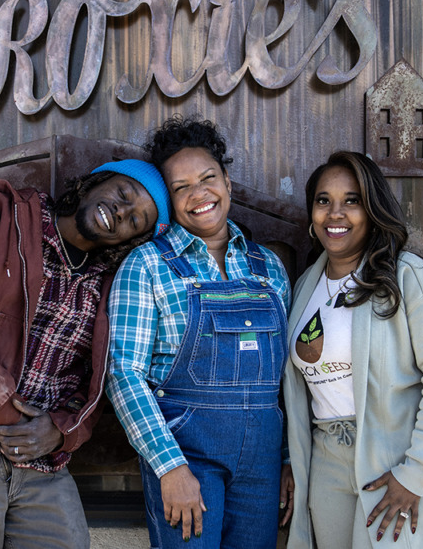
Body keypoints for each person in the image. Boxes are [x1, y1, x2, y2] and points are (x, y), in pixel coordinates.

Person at [0, 158, 172, 549]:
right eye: (123, 194)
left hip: (41, 464)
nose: (123, 212)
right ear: (95, 181)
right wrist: (6, 410)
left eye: (137, 221)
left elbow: (95, 381)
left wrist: (60, 432)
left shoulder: (109, 284)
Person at [106, 117, 291, 548]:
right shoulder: (148, 265)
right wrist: (169, 468)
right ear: (169, 201)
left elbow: (286, 380)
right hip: (186, 460)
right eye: (182, 187)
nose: (199, 194)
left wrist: (287, 459)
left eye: (208, 178)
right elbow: (123, 373)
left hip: (262, 466)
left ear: (227, 181)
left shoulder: (269, 268)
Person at [282, 151, 423, 548]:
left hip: (395, 466)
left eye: (352, 200)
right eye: (323, 201)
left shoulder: (410, 278)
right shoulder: (304, 289)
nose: (335, 213)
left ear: (373, 209)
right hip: (327, 467)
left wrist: (414, 473)